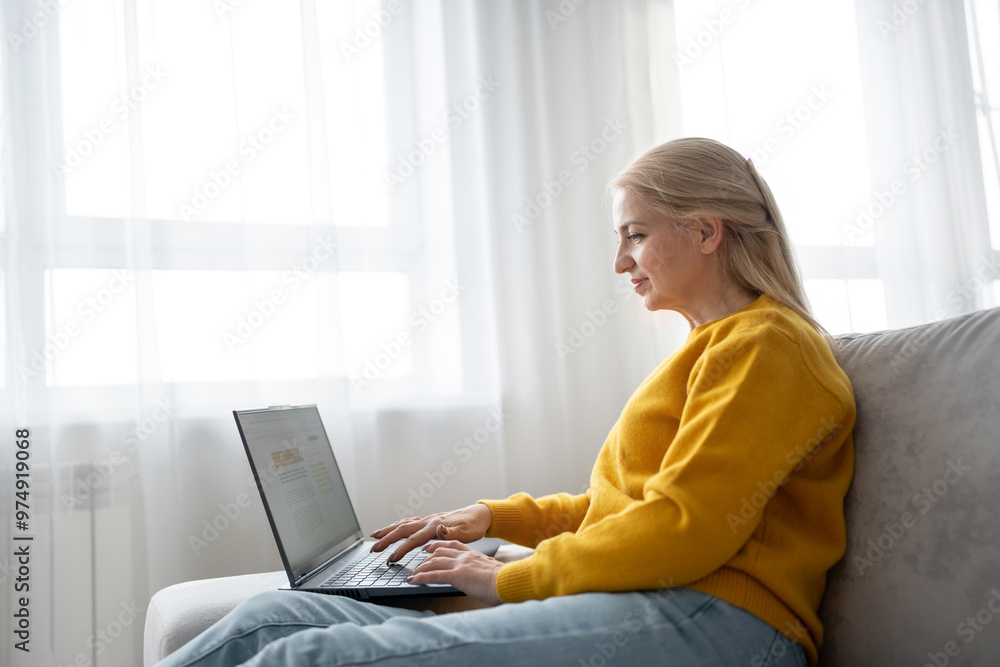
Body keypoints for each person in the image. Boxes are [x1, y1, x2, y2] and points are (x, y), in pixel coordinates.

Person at [157, 138, 855, 667]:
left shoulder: (770, 346)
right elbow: (619, 514)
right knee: (275, 620)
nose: (620, 263)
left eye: (635, 235)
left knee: (306, 657)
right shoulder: (711, 348)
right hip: (660, 594)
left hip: (725, 622)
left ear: (706, 231)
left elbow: (684, 528)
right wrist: (493, 518)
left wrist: (511, 577)